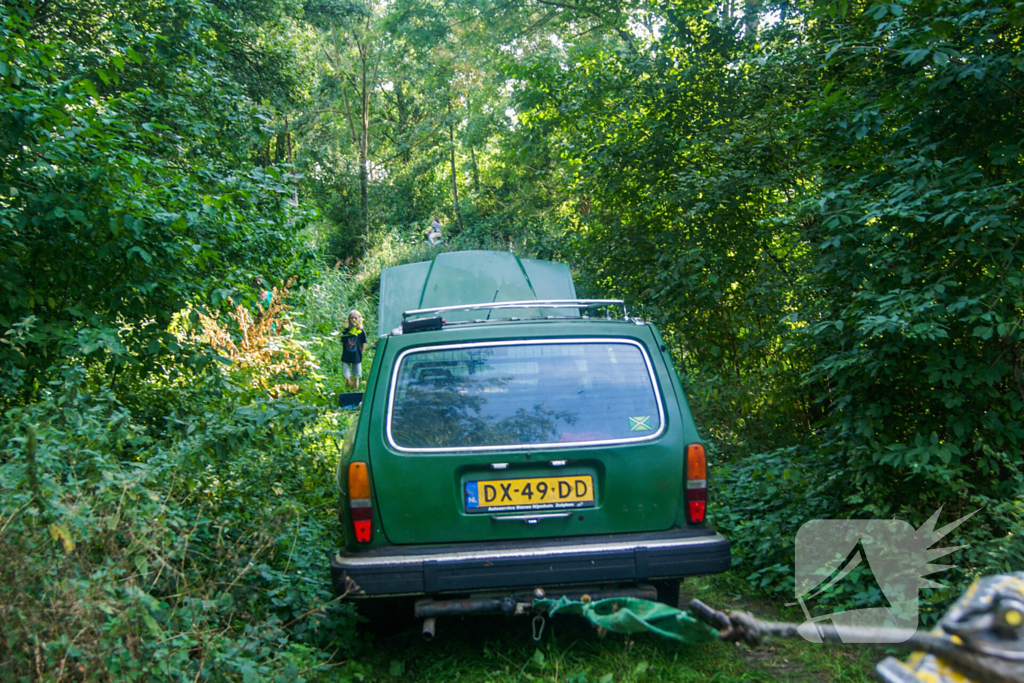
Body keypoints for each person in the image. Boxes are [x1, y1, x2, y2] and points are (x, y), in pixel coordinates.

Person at [341, 310, 368, 390]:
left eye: (355, 318)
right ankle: (351, 387)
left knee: (356, 376)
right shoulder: (346, 331)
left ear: (359, 319)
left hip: (356, 356)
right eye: (351, 318)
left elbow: (363, 343)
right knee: (346, 376)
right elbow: (343, 343)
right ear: (349, 319)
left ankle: (355, 390)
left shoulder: (361, 332)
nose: (353, 320)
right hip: (346, 356)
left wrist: (360, 353)